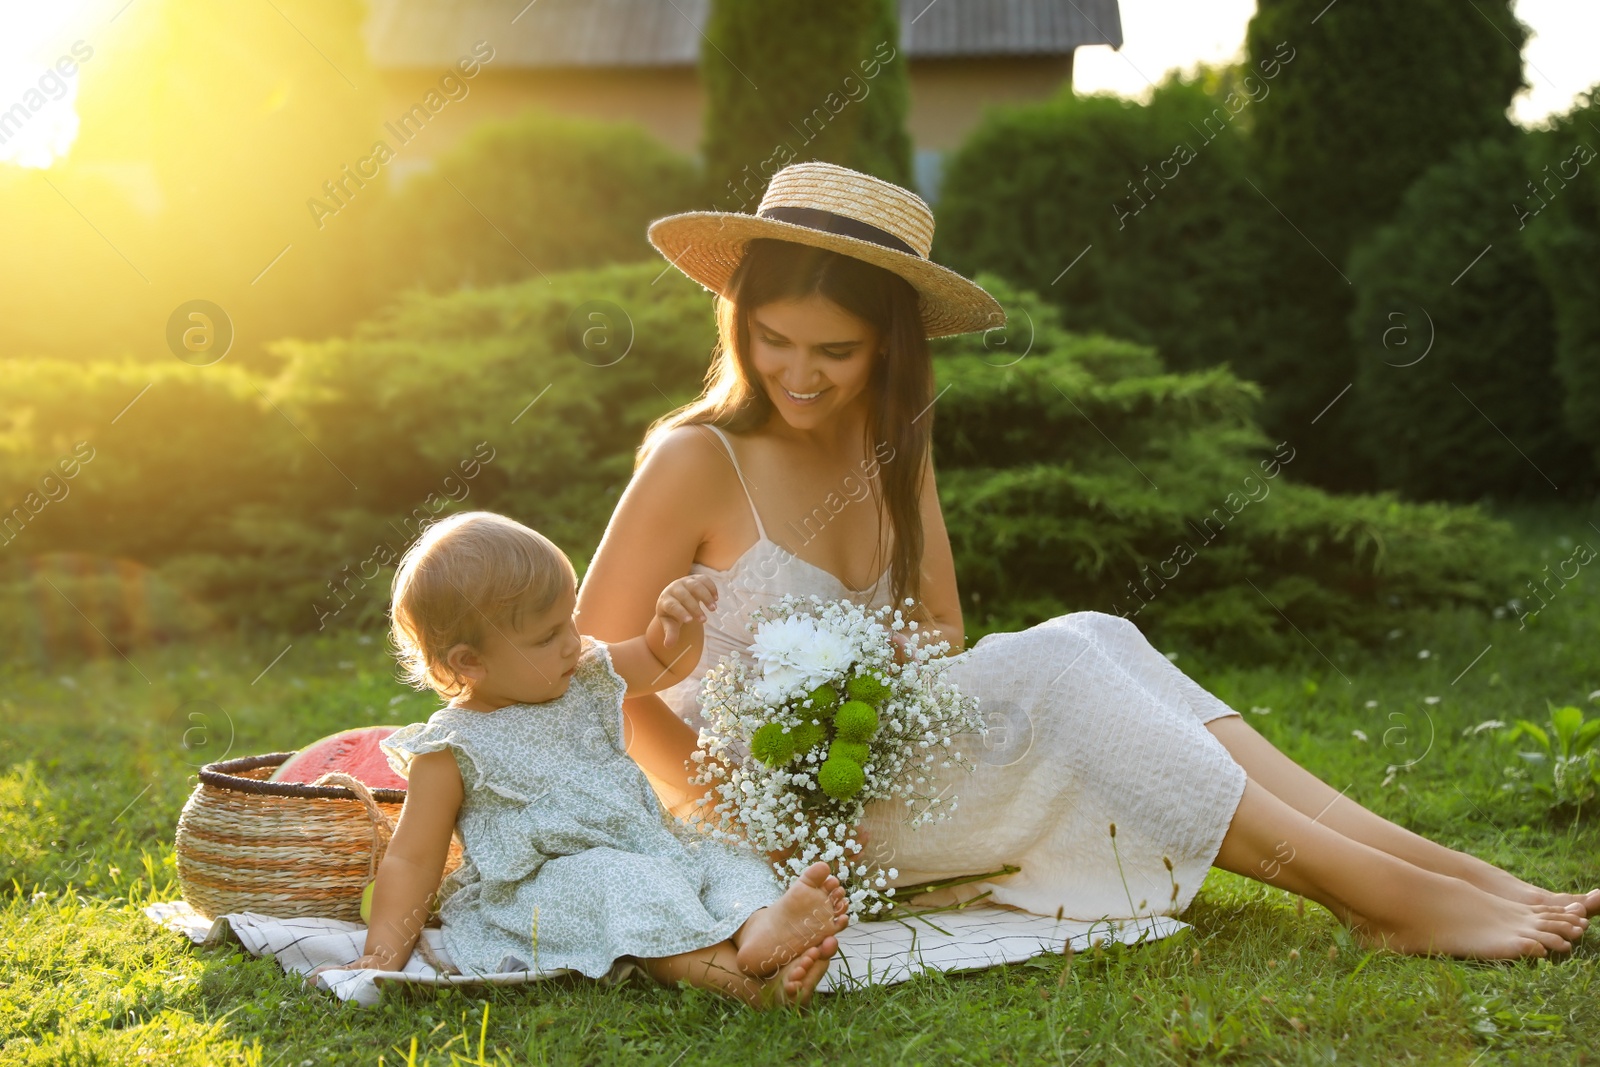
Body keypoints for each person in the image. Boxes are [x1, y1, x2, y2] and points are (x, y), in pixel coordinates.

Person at [573, 160, 1598, 960]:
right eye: (772, 339)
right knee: (1060, 671)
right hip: (762, 799)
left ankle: (1427, 864)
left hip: (879, 759)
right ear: (739, 320)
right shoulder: (694, 458)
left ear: (887, 345)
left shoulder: (890, 441)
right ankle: (1384, 900)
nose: (799, 373)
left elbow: (938, 630)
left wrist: (870, 698)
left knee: (1095, 635)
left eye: (832, 351)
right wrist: (742, 819)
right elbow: (583, 670)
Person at [319, 511, 848, 1008]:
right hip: (552, 889)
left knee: (724, 859)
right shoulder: (453, 748)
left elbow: (662, 662)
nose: (573, 642)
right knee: (627, 891)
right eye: (549, 636)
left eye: (569, 620)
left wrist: (674, 621)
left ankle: (759, 930)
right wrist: (382, 953)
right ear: (469, 661)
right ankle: (749, 989)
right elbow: (413, 860)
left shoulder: (585, 675)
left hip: (656, 849)